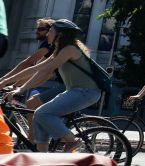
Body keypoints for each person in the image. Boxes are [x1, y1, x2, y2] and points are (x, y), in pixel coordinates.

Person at [1, 20, 101, 152]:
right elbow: (35, 68)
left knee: (43, 113)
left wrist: (21, 88)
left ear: (60, 35)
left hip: (86, 92)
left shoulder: (69, 50)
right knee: (38, 117)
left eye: (51, 31)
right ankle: (42, 156)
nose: (48, 34)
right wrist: (4, 81)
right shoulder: (60, 51)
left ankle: (72, 140)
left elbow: (46, 71)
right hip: (74, 91)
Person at [0, 18, 63, 110]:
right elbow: (36, 71)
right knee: (33, 106)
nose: (37, 31)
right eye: (37, 29)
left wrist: (4, 80)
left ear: (51, 31)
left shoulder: (49, 45)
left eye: (41, 29)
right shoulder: (53, 50)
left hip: (72, 87)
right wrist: (16, 86)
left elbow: (28, 62)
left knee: (34, 105)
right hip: (64, 84)